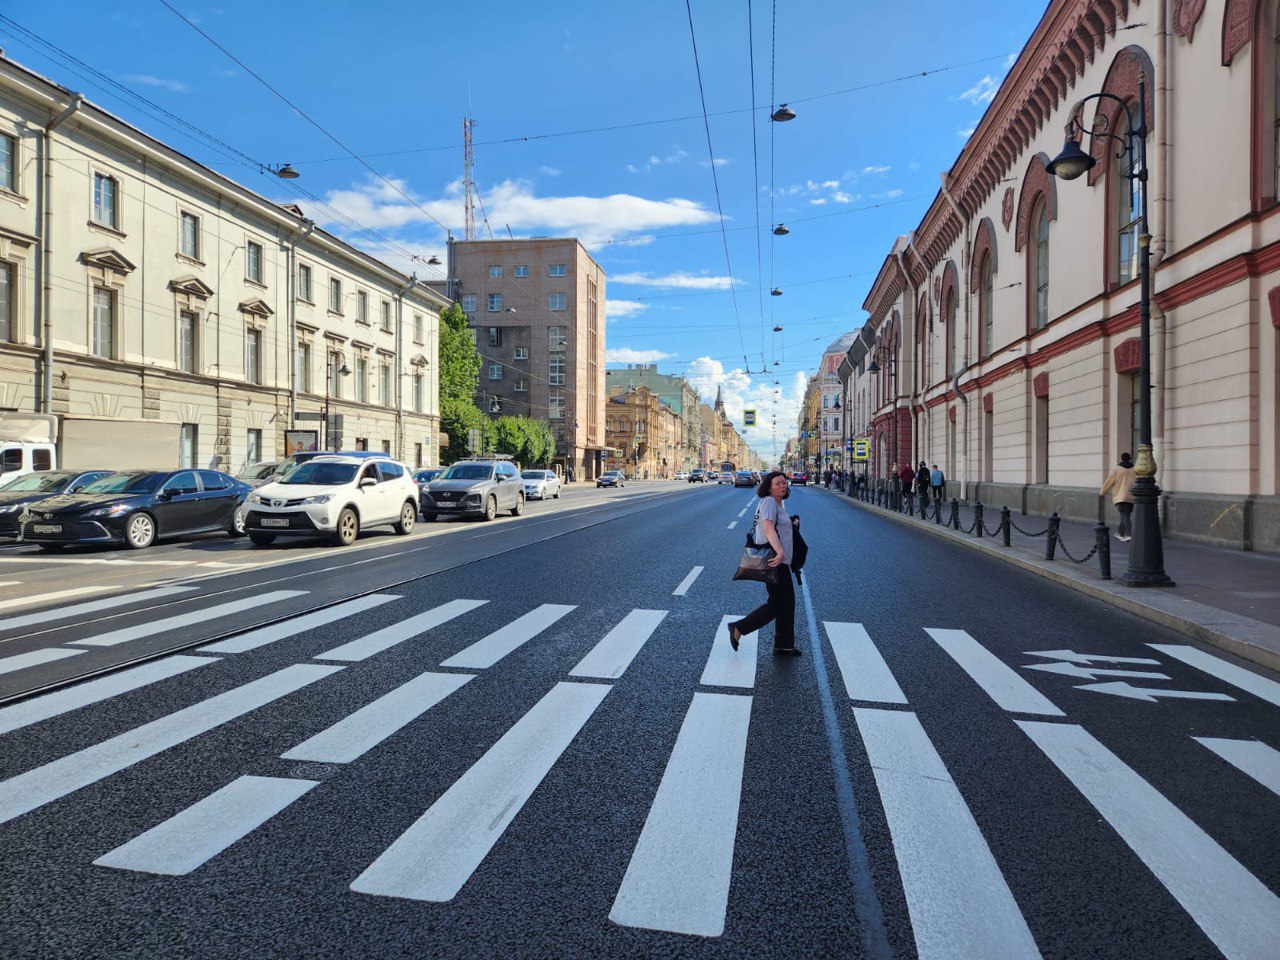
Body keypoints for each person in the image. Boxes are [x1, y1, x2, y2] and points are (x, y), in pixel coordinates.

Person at [729, 471, 802, 657]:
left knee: (787, 603)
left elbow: (777, 525)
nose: (782, 486)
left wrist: (792, 524)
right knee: (777, 603)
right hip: (775, 560)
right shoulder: (769, 501)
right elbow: (768, 528)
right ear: (768, 486)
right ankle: (739, 627)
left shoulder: (777, 503)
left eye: (784, 483)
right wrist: (779, 552)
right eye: (778, 483)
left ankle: (784, 645)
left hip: (780, 561)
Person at [1100, 452, 1137, 541]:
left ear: (1121, 458)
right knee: (1125, 514)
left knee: (1125, 515)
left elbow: (1109, 482)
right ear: (1130, 458)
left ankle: (1128, 534)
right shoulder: (1135, 469)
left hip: (1120, 496)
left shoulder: (1117, 470)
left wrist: (1102, 492)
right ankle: (1120, 533)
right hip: (1132, 496)